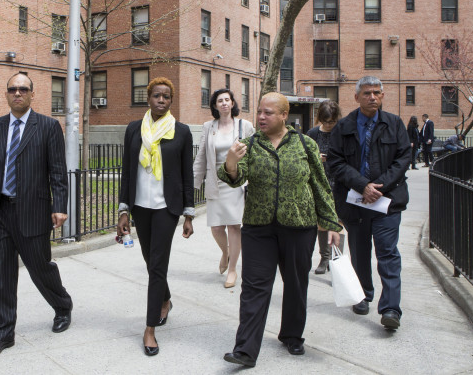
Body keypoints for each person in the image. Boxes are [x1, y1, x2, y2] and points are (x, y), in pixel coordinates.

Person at [219, 93, 342, 368]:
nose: (261, 117)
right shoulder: (249, 145)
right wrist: (230, 162)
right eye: (259, 112)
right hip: (259, 227)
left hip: (299, 225)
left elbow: (321, 185)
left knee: (296, 284)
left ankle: (292, 335)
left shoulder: (304, 144)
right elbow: (235, 177)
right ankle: (245, 349)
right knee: (253, 287)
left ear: (284, 115)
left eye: (268, 113)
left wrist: (332, 223)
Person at [0, 72, 73, 359]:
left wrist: (60, 205)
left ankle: (62, 305)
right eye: (12, 89)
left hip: (33, 210)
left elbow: (57, 170)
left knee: (40, 269)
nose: (17, 93)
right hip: (0, 211)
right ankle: (3, 334)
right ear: (6, 94)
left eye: (23, 89)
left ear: (32, 94)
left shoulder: (48, 127)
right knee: (2, 277)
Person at [116, 77, 195, 356]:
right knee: (151, 261)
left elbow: (187, 175)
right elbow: (127, 170)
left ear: (171, 101)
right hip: (140, 206)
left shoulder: (182, 132)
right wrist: (123, 209)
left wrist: (189, 215)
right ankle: (167, 299)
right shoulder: (134, 130)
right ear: (148, 98)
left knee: (158, 264)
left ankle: (149, 328)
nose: (161, 100)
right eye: (157, 96)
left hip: (166, 208)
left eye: (166, 97)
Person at [327, 76, 411, 331]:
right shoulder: (344, 126)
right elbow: (336, 162)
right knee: (360, 252)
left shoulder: (394, 124)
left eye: (376, 92)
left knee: (387, 254)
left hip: (387, 203)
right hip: (355, 203)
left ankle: (390, 309)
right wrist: (362, 185)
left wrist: (378, 188)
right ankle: (363, 294)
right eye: (367, 93)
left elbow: (403, 157)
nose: (372, 97)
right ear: (356, 97)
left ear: (382, 96)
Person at [193, 88, 254, 288]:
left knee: (234, 226)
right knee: (217, 227)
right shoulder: (208, 126)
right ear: (215, 105)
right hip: (215, 181)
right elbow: (201, 155)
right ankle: (226, 253)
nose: (224, 103)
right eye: (220, 100)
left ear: (233, 103)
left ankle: (233, 269)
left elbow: (254, 154)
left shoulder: (244, 126)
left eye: (228, 99)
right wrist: (193, 184)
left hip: (235, 182)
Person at [306, 99, 343, 275]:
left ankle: (337, 259)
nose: (328, 125)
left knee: (337, 222)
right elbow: (304, 155)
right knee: (321, 222)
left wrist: (330, 159)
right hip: (320, 183)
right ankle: (324, 257)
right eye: (325, 121)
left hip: (339, 182)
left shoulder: (342, 132)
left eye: (332, 122)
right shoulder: (313, 133)